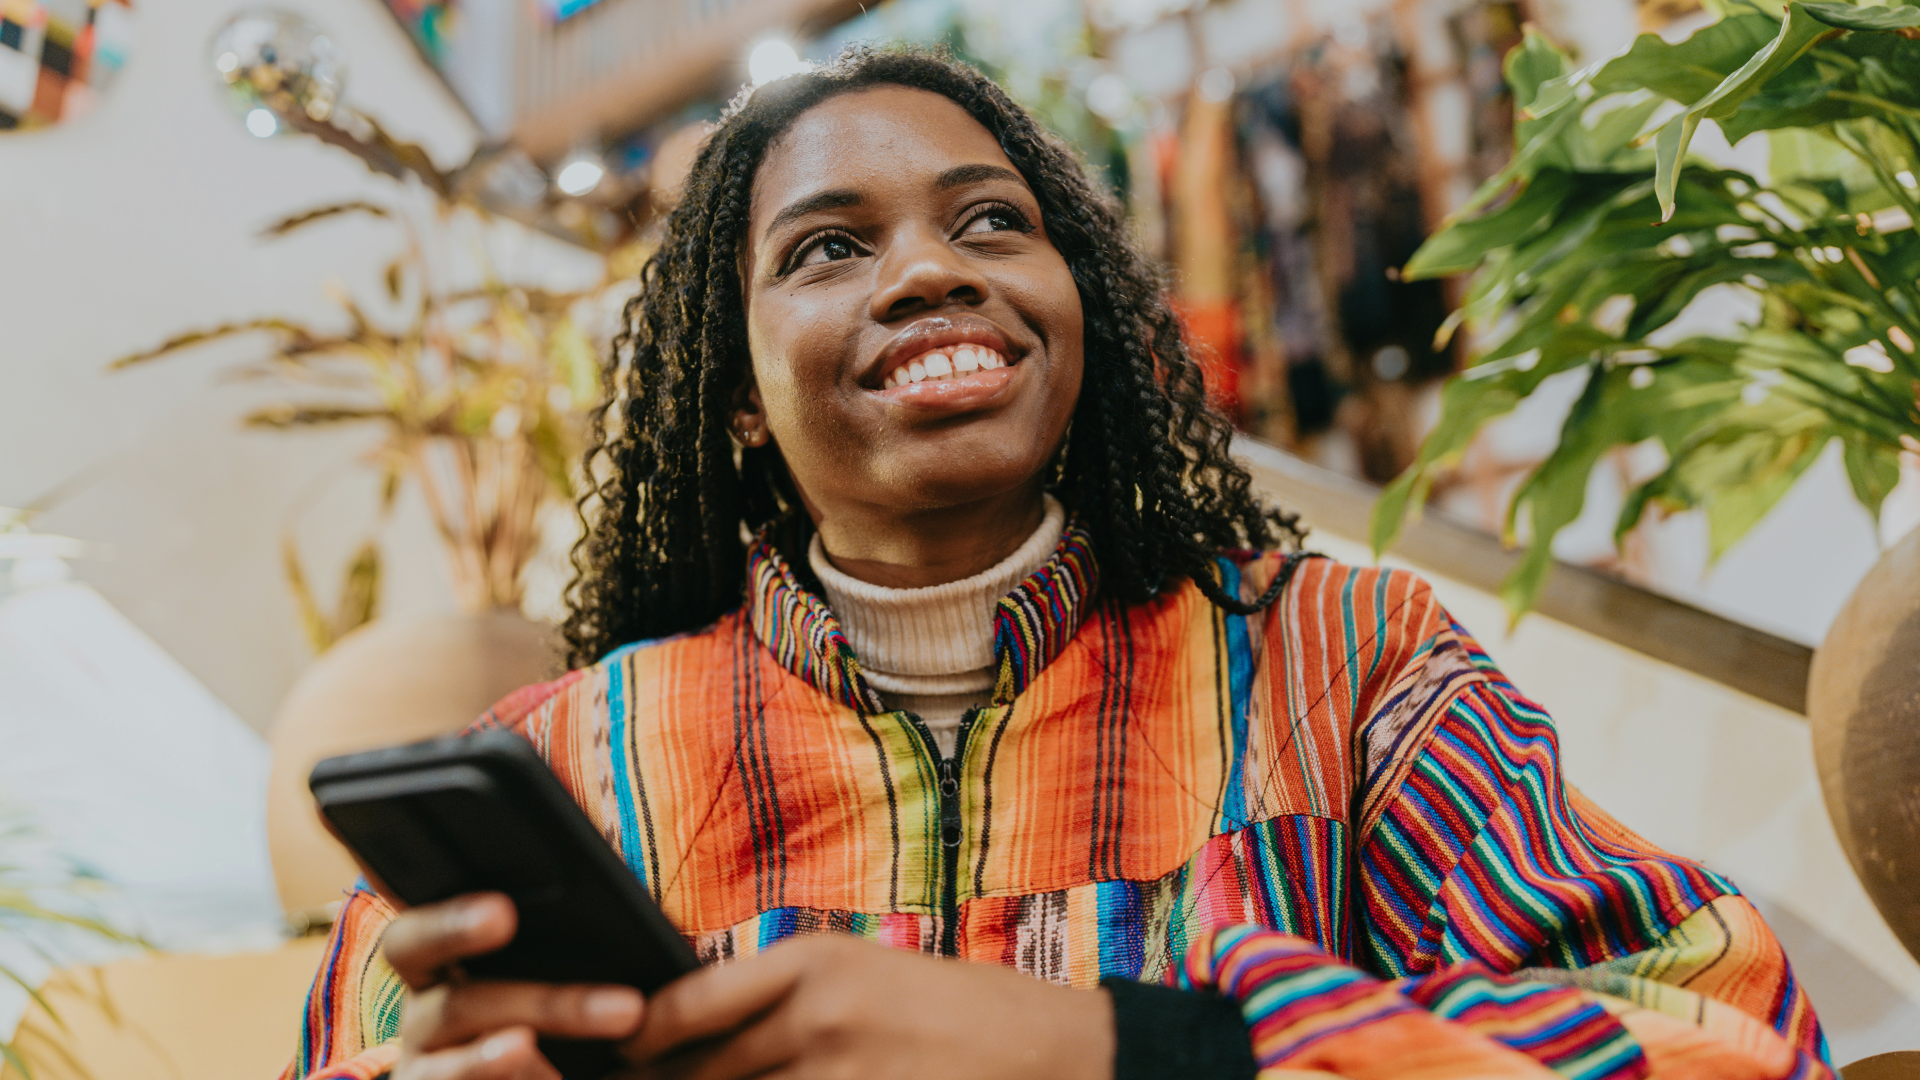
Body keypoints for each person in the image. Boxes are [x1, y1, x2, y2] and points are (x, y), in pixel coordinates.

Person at [282, 46, 1831, 1080]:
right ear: (736, 400)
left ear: (1075, 309)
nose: (934, 270)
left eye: (992, 224)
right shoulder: (567, 770)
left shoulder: (1344, 666)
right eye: (830, 247)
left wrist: (1121, 1048)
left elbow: (1725, 1030)